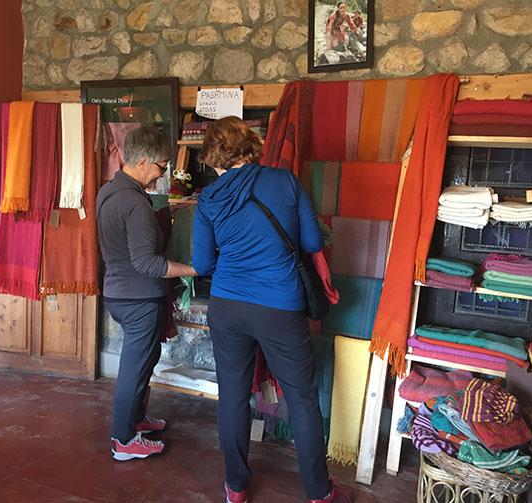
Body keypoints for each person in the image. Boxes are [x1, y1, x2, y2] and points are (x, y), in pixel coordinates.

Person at [191, 116, 354, 503]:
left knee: (231, 394)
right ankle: (319, 492)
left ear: (214, 157)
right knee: (301, 396)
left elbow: (202, 264)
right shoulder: (283, 182)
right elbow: (312, 240)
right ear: (249, 145)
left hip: (227, 306)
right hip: (279, 306)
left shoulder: (208, 199)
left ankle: (235, 487)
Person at [97, 125, 197, 461]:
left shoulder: (109, 192)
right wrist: (195, 269)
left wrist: (166, 217)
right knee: (135, 368)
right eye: (162, 166)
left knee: (144, 361)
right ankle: (124, 441)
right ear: (142, 162)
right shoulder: (134, 204)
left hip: (119, 294)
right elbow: (148, 264)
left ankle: (136, 420)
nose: (163, 172)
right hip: (139, 299)